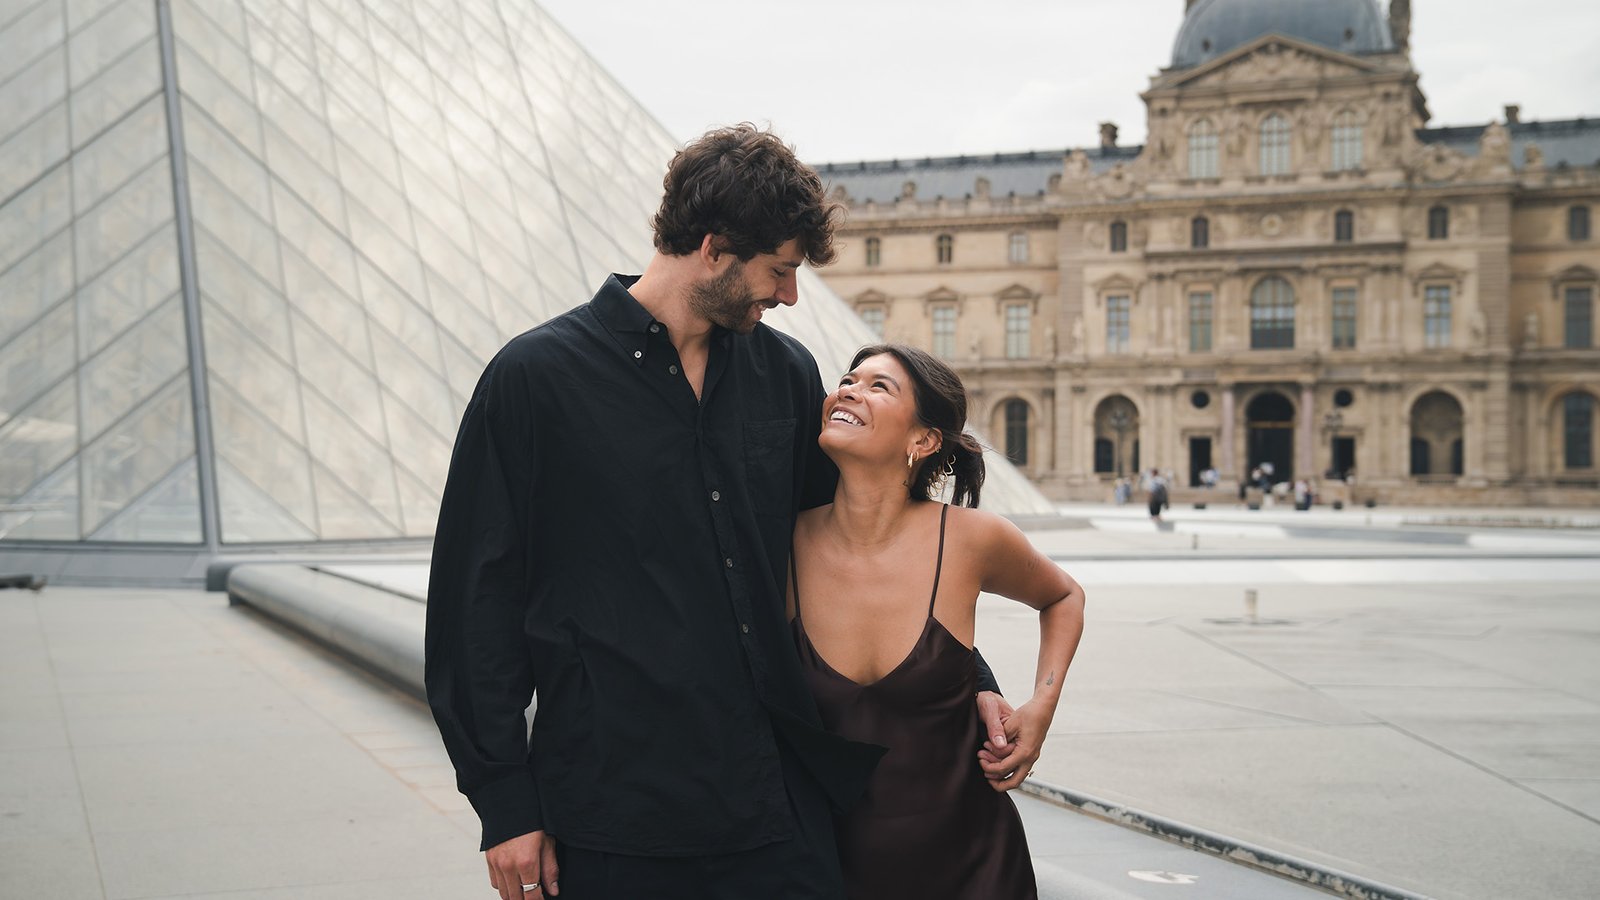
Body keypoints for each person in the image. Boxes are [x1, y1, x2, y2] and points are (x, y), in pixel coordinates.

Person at [424, 125, 1026, 900]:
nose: (789, 295)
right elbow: (476, 601)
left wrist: (964, 673)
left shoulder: (785, 373)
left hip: (776, 806)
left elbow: (853, 546)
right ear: (712, 249)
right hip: (614, 816)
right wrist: (503, 802)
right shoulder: (535, 380)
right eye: (778, 270)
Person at [790, 344, 1085, 899]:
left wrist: (1040, 707)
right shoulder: (782, 545)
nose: (849, 389)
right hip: (831, 872)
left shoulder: (972, 539)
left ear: (922, 441)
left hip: (973, 868)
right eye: (848, 380)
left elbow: (1064, 596)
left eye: (880, 386)